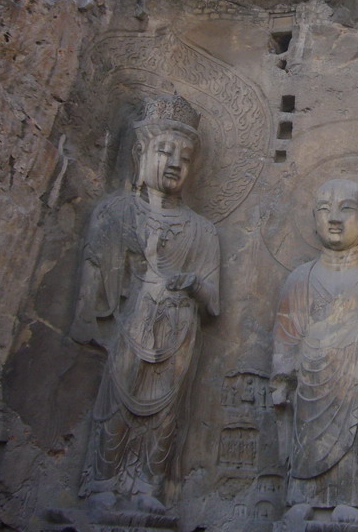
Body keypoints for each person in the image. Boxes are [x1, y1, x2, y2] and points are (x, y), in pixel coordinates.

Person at [73, 94, 220, 513]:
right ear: (142, 153)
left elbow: (214, 302)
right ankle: (102, 481)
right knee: (117, 403)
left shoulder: (202, 230)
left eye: (185, 157)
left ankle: (147, 485)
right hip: (131, 324)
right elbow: (93, 290)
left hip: (179, 329)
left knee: (167, 413)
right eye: (165, 151)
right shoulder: (114, 213)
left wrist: (193, 284)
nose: (175, 163)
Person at [273, 179, 358, 518]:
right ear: (313, 219)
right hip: (310, 392)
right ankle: (302, 496)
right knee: (304, 438)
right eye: (324, 209)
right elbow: (285, 342)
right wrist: (280, 382)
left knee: (357, 422)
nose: (334, 218)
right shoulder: (300, 279)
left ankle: (355, 499)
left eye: (346, 208)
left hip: (356, 391)